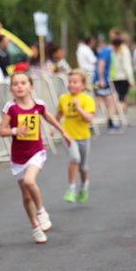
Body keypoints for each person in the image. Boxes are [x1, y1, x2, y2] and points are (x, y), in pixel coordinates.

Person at [0, 72, 70, 244]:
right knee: (26, 196)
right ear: (11, 89)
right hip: (18, 157)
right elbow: (2, 131)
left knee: (30, 182)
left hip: (36, 152)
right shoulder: (11, 108)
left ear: (31, 87)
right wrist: (16, 131)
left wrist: (63, 132)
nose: (19, 86)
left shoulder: (39, 105)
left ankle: (41, 211)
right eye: (15, 84)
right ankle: (35, 227)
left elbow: (49, 118)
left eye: (23, 83)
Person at [55, 69, 95, 203]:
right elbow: (59, 114)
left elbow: (89, 119)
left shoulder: (87, 99)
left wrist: (79, 108)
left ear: (83, 85)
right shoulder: (63, 98)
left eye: (75, 82)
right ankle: (71, 188)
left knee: (83, 167)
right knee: (74, 158)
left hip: (83, 136)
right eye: (70, 82)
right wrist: (53, 128)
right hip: (68, 135)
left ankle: (84, 186)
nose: (71, 84)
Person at [93, 35, 118, 131]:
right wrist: (101, 79)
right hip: (101, 81)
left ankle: (110, 121)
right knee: (98, 102)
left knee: (110, 100)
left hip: (104, 80)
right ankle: (87, 121)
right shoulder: (107, 51)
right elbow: (101, 64)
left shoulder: (106, 50)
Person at [110, 37, 135, 119]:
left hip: (114, 77)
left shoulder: (113, 52)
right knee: (122, 98)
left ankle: (115, 116)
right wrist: (131, 79)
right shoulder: (124, 51)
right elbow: (127, 66)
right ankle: (121, 117)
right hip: (123, 77)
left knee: (117, 98)